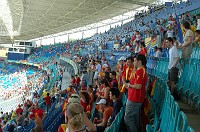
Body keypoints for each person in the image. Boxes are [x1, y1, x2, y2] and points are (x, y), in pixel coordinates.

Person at [124, 54, 148, 132]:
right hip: (134, 97)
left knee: (127, 119)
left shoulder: (140, 71)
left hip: (134, 98)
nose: (133, 63)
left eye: (134, 61)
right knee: (134, 118)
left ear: (139, 61)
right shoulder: (139, 70)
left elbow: (138, 86)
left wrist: (129, 85)